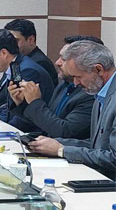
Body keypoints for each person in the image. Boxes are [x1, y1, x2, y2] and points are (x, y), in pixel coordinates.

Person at [29, 40, 116, 178]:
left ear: (98, 69)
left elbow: (113, 158)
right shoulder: (100, 94)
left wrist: (62, 150)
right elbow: (97, 145)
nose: (75, 83)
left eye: (78, 76)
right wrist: (57, 143)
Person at [10, 35, 100, 139]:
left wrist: (35, 102)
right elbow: (45, 123)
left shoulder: (90, 93)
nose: (57, 62)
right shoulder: (64, 84)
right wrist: (22, 103)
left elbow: (65, 132)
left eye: (64, 59)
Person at [0, 29, 55, 133]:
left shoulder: (27, 70)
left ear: (4, 53)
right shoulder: (16, 65)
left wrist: (3, 131)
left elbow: (26, 116)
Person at [4, 18, 59, 86]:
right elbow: (13, 85)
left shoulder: (39, 63)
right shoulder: (16, 61)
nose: (10, 44)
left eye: (15, 40)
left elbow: (19, 89)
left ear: (31, 40)